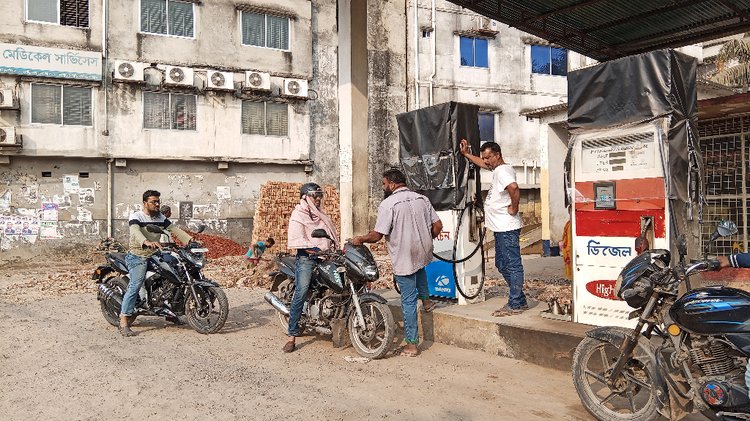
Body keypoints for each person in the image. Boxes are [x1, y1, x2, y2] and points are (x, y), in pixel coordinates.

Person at [351, 168, 442, 357]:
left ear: (392, 184)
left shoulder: (388, 204)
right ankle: (426, 302)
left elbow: (377, 235)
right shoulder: (422, 199)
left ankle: (411, 344)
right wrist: (428, 238)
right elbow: (438, 225)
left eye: (384, 184)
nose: (383, 187)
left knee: (408, 301)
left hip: (404, 253)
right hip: (422, 249)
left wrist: (359, 239)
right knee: (419, 269)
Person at [459, 139, 528, 316]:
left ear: (498, 155)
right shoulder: (498, 168)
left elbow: (513, 187)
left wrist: (514, 207)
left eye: (489, 157)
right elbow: (482, 164)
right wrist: (466, 154)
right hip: (500, 228)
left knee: (512, 264)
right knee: (501, 264)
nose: (486, 161)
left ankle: (515, 303)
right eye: (485, 158)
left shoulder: (503, 171)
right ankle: (519, 298)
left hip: (507, 227)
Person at [119, 190, 193, 337]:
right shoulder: (137, 216)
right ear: (145, 203)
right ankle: (123, 320)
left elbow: (174, 230)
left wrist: (190, 240)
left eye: (158, 201)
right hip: (138, 255)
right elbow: (135, 232)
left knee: (175, 274)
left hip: (155, 254)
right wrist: (145, 242)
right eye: (154, 202)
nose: (157, 204)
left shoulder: (160, 217)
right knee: (136, 283)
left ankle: (170, 313)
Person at [283, 182, 339, 353]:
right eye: (314, 195)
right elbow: (297, 239)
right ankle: (292, 336)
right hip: (307, 258)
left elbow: (329, 236)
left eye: (319, 195)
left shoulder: (320, 215)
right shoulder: (298, 215)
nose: (318, 198)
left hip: (325, 256)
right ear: (305, 197)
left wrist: (335, 247)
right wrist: (313, 249)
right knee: (301, 291)